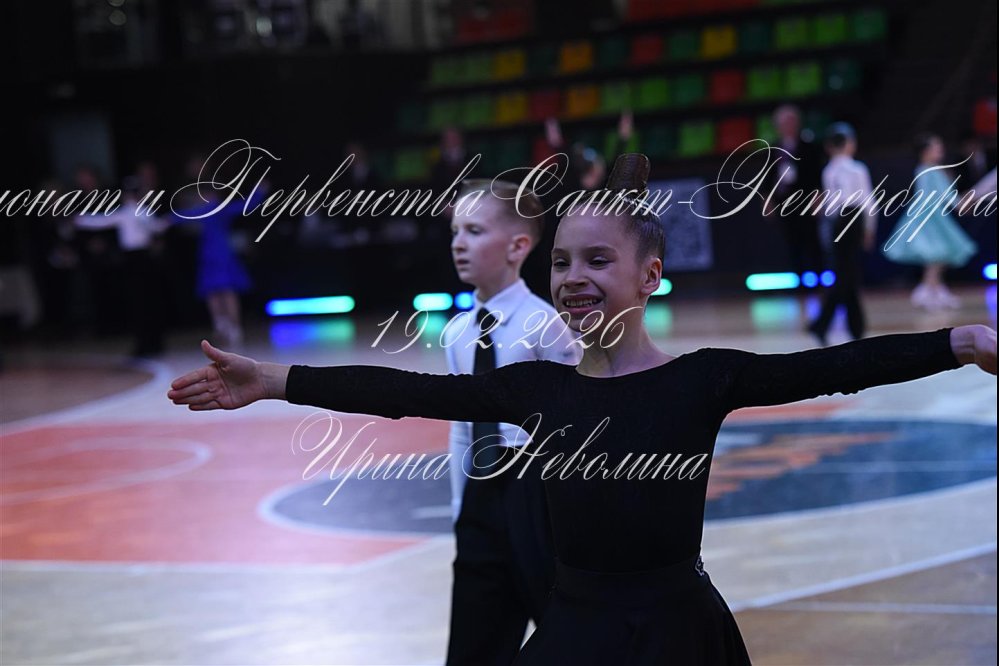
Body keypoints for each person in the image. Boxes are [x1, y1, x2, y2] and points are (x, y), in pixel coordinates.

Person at [169, 154, 997, 665]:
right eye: (562, 261)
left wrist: (956, 341)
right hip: (574, 627)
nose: (572, 277)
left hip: (676, 630)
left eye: (598, 260)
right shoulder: (537, 387)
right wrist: (273, 380)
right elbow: (403, 394)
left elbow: (833, 367)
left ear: (650, 277)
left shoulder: (700, 379)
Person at [444, 178, 580, 664]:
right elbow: (461, 428)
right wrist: (462, 507)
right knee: (474, 643)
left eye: (475, 231)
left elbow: (572, 426)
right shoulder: (456, 332)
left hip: (538, 493)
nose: (459, 243)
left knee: (567, 636)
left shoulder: (546, 325)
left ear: (518, 246)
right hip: (481, 502)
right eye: (456, 231)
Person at [883, 133, 979, 310]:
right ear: (925, 151)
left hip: (931, 214)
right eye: (936, 148)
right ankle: (928, 291)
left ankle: (934, 290)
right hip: (930, 217)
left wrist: (958, 202)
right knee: (936, 257)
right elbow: (945, 194)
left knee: (937, 258)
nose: (940, 150)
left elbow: (944, 193)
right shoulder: (931, 170)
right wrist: (959, 204)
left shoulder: (928, 169)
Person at [806, 123, 877, 347]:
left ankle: (845, 326)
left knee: (846, 275)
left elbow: (830, 206)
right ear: (848, 144)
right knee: (847, 276)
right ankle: (847, 326)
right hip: (854, 219)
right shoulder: (857, 169)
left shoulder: (829, 170)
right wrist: (869, 228)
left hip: (838, 222)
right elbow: (867, 200)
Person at [768, 104, 826, 279]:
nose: (789, 126)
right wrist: (767, 199)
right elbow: (767, 177)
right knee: (792, 240)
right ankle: (798, 278)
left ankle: (818, 277)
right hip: (784, 200)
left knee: (812, 238)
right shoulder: (773, 149)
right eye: (785, 123)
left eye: (792, 122)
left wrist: (817, 197)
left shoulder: (809, 147)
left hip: (806, 198)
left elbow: (816, 174)